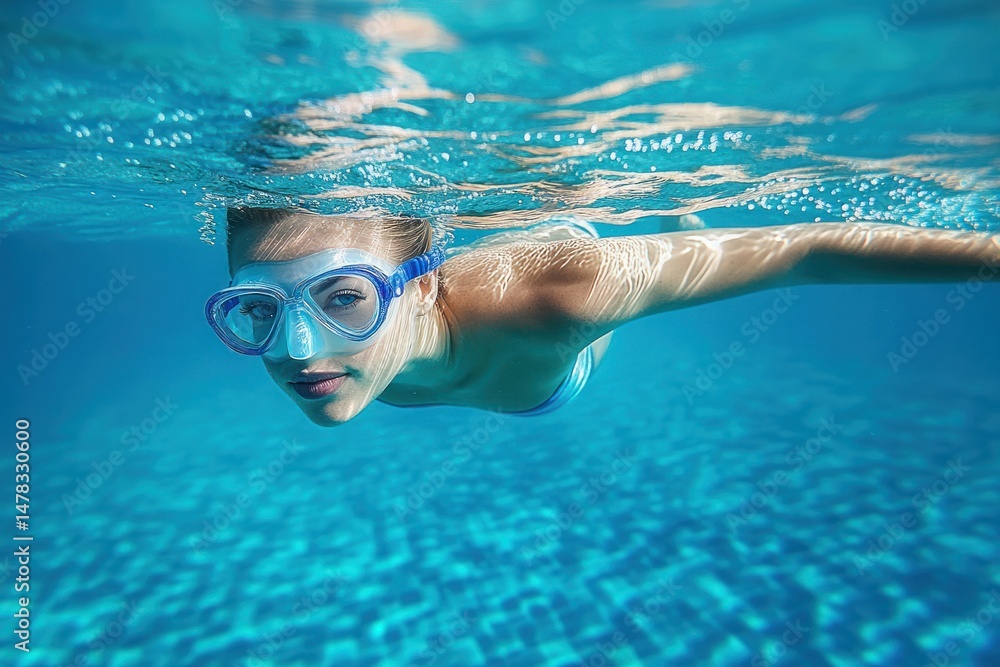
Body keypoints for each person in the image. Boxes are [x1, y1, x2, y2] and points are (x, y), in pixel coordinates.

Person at [206, 207, 999, 426]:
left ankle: (655, 217)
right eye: (258, 310)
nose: (295, 349)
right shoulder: (342, 356)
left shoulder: (559, 297)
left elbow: (806, 250)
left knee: (587, 238)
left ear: (420, 283)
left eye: (345, 296)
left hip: (558, 329)